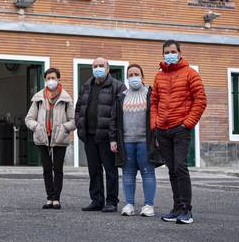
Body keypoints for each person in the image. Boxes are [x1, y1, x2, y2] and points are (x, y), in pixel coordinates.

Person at [151, 40, 206, 224]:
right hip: (163, 130)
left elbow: (200, 100)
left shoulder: (191, 73)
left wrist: (187, 124)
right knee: (172, 169)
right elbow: (154, 102)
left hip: (180, 129)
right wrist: (155, 125)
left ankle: (186, 209)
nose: (170, 54)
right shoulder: (159, 76)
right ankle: (176, 207)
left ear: (180, 53)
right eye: (166, 52)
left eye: (173, 51)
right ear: (163, 55)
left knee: (181, 167)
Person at [75, 57, 126, 213]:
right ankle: (96, 200)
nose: (98, 68)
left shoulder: (118, 86)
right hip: (89, 135)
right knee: (94, 170)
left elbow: (119, 113)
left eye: (101, 66)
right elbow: (79, 108)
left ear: (108, 68)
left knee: (110, 171)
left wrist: (114, 136)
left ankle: (111, 201)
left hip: (107, 137)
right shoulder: (86, 86)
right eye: (95, 66)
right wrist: (79, 124)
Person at [25, 67, 75, 210]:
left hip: (59, 138)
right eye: (48, 78)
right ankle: (49, 197)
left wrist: (64, 128)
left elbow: (73, 121)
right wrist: (37, 127)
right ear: (45, 80)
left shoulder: (66, 98)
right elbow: (28, 119)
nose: (51, 81)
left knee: (57, 169)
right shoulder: (38, 98)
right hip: (42, 137)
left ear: (58, 79)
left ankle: (56, 199)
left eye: (53, 78)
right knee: (47, 168)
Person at [116, 64, 162, 217]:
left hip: (145, 141)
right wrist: (113, 140)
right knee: (128, 174)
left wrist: (157, 137)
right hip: (126, 142)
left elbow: (158, 115)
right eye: (130, 74)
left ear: (142, 77)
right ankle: (129, 205)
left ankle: (148, 205)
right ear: (127, 77)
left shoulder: (151, 94)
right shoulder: (121, 96)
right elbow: (114, 120)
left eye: (136, 74)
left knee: (148, 173)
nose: (133, 77)